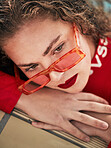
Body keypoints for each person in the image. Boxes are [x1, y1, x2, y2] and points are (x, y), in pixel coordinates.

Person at [0, 0, 111, 147]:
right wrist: (28, 99)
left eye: (58, 48)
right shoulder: (24, 81)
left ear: (80, 23)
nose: (55, 77)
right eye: (32, 66)